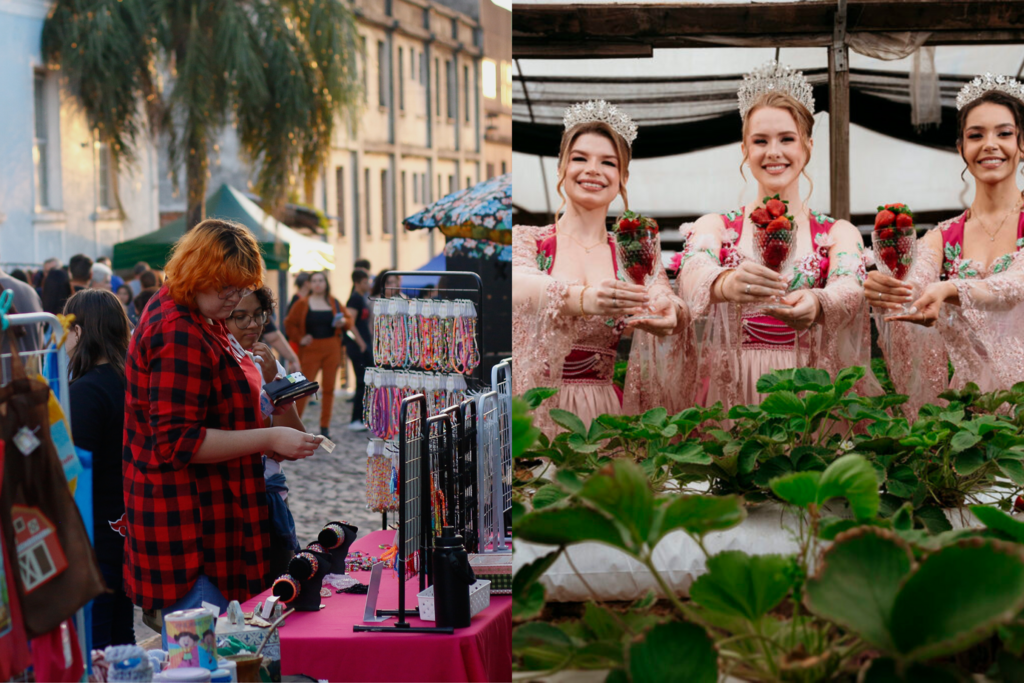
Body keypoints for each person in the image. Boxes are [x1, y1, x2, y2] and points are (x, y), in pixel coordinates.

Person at [122, 219, 322, 647]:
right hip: (190, 531)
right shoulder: (177, 330)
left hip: (215, 522)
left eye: (240, 289)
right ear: (199, 274)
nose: (234, 299)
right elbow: (179, 442)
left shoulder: (200, 318)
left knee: (223, 649)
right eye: (227, 289)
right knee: (202, 655)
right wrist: (268, 439)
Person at [678, 61, 876, 412]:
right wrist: (724, 282)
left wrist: (818, 303)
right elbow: (692, 271)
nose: (773, 152)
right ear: (744, 150)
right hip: (732, 389)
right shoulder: (717, 226)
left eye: (787, 139)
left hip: (809, 393)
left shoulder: (836, 232)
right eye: (760, 141)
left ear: (808, 146)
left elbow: (850, 288)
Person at [512, 100, 685, 435]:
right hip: (536, 408)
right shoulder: (529, 240)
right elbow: (519, 284)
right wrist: (585, 299)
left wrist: (671, 313)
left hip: (602, 411)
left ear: (622, 177)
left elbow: (666, 297)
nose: (592, 169)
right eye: (579, 158)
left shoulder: (631, 251)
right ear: (561, 167)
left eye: (608, 162)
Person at [867, 77, 1024, 418]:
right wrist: (886, 286)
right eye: (976, 135)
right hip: (971, 410)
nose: (990, 144)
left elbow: (1014, 285)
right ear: (960, 148)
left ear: (1022, 144)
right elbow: (916, 280)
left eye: (1004, 133)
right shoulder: (943, 235)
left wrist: (950, 288)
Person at [63, 289, 134, 649]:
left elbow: (73, 469)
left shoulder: (84, 392)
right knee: (123, 639)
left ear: (79, 331)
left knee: (96, 646)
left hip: (95, 536)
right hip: (129, 530)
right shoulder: (132, 383)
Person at [225, 288, 302, 577]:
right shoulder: (219, 365)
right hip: (233, 498)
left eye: (258, 315)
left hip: (271, 497)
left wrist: (273, 379)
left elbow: (295, 439)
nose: (252, 325)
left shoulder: (270, 364)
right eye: (240, 317)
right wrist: (268, 439)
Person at [284, 271, 348, 438]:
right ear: (310, 284)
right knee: (303, 387)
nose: (318, 284)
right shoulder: (302, 303)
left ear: (326, 283)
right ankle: (295, 425)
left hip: (332, 347)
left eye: (321, 280)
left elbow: (348, 319)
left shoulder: (334, 302)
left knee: (329, 389)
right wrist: (300, 338)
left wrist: (344, 322)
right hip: (311, 349)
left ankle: (325, 427)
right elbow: (289, 323)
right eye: (314, 281)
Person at [344, 270, 374, 432]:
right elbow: (350, 323)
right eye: (365, 281)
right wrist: (361, 342)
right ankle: (356, 418)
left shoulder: (362, 298)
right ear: (358, 283)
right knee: (361, 382)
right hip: (357, 347)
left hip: (365, 345)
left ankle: (363, 416)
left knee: (366, 382)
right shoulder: (354, 299)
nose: (368, 284)